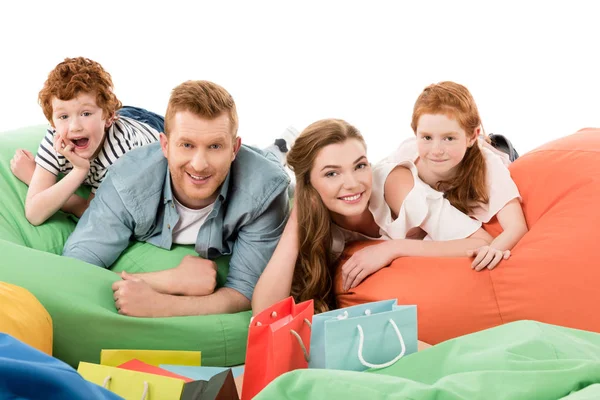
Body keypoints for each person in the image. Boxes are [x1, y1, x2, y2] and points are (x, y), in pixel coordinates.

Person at [62, 80, 291, 318]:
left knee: (271, 161)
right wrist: (171, 281)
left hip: (259, 165)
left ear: (234, 149)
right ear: (165, 145)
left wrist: (162, 306)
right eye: (187, 145)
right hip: (143, 145)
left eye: (215, 146)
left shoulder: (265, 189)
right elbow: (76, 269)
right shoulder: (127, 180)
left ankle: (279, 150)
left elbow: (244, 291)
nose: (199, 164)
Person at [252, 119, 494, 315]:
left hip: (464, 177)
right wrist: (297, 219)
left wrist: (393, 248)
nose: (353, 184)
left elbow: (481, 241)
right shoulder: (317, 216)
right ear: (309, 184)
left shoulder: (395, 186)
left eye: (359, 166)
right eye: (332, 174)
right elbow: (264, 311)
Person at [348, 81, 528, 289]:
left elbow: (516, 226)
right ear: (415, 133)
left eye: (449, 138)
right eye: (426, 137)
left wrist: (494, 248)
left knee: (497, 148)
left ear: (472, 136)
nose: (436, 150)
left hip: (496, 152)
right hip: (445, 200)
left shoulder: (488, 166)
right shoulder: (406, 156)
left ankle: (497, 142)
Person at [10, 57, 163, 226]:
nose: (75, 127)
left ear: (109, 117)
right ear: (53, 123)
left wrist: (33, 178)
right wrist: (79, 170)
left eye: (85, 114)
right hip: (112, 117)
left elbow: (94, 214)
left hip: (151, 126)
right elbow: (34, 214)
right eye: (63, 116)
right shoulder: (56, 139)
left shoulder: (119, 153)